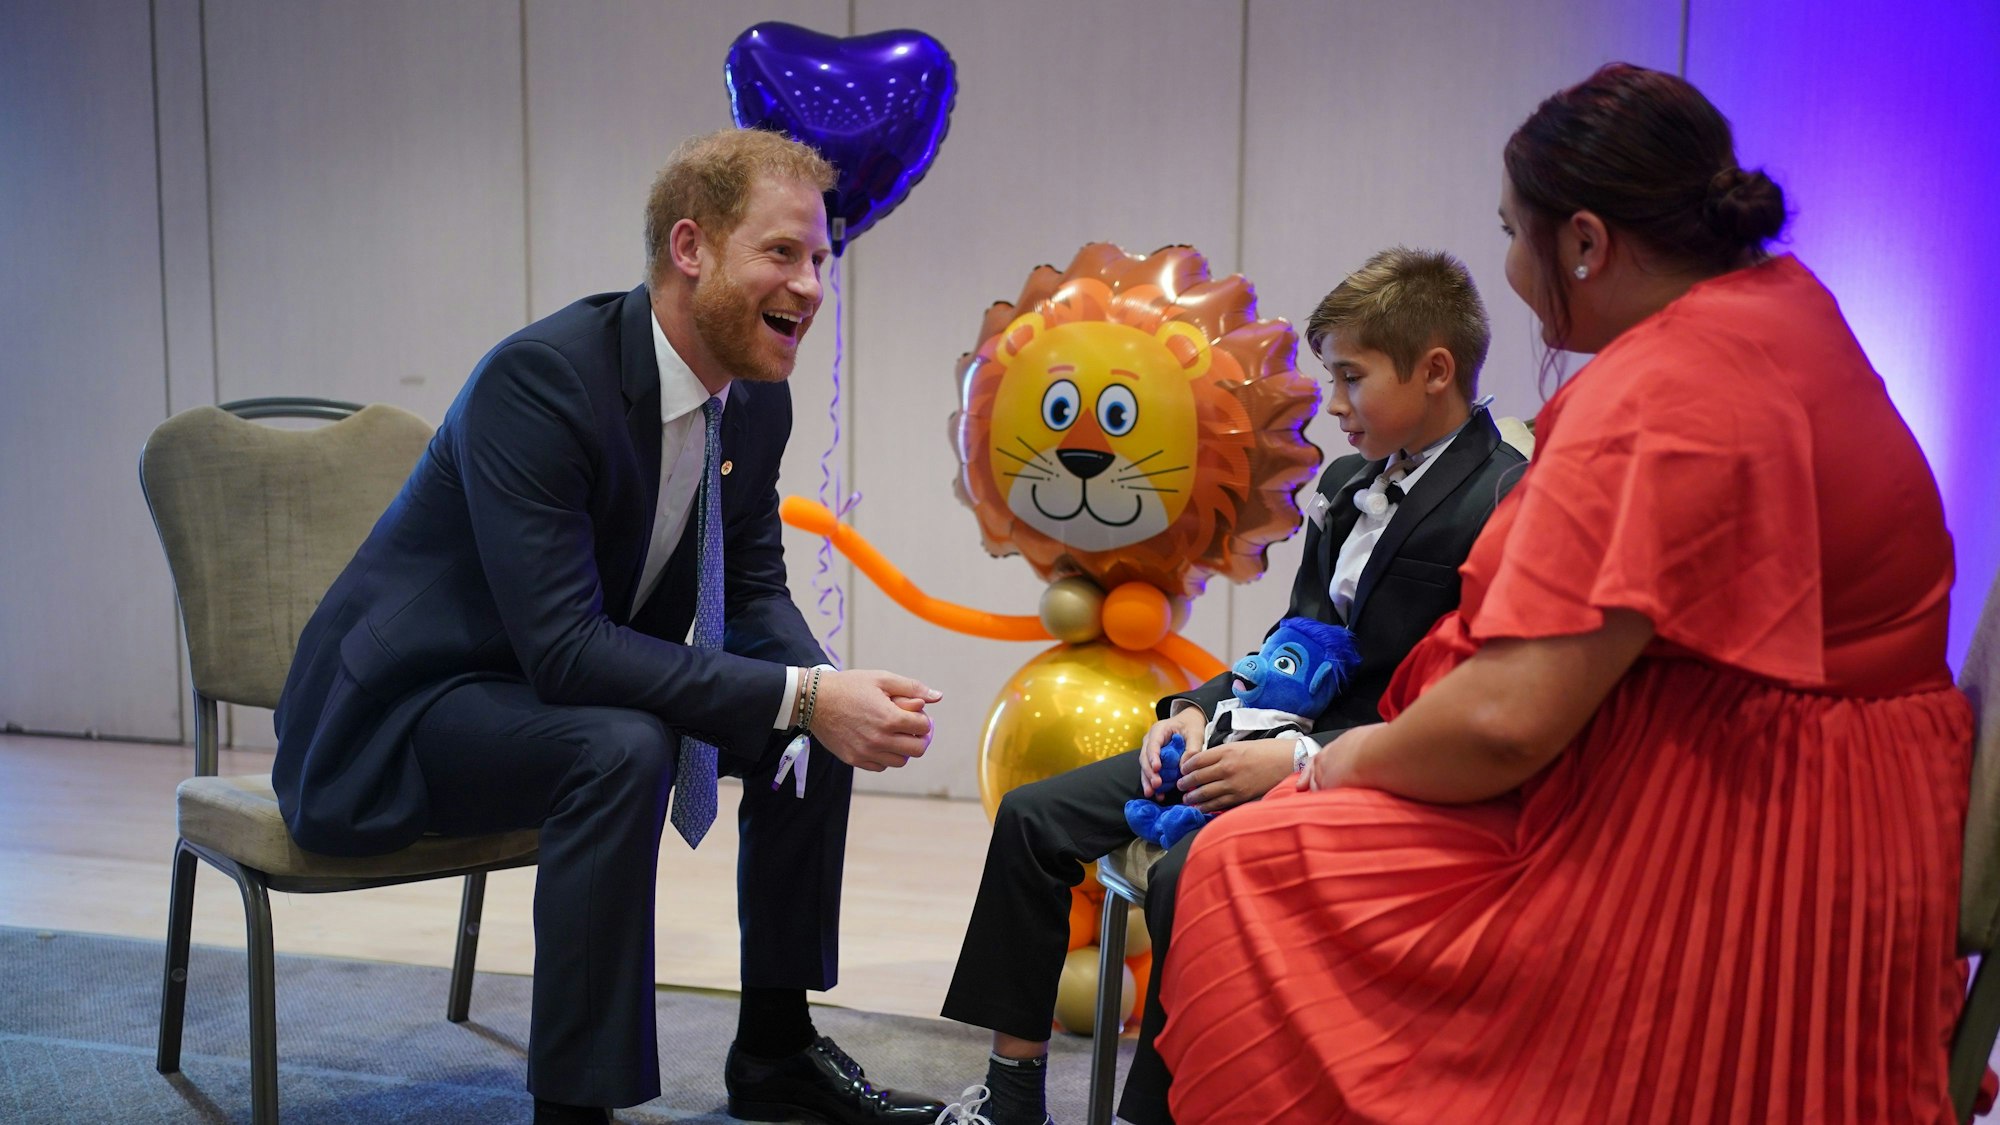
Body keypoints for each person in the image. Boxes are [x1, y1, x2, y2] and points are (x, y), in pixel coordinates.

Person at [1154, 63, 1974, 1124]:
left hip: (1752, 828)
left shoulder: (1662, 387)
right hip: (1812, 790)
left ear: (1583, 242)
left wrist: (1330, 764)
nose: (1507, 264)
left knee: (1248, 864)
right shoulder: (1778, 308)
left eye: (1512, 231)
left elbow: (1504, 723)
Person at [272, 129, 949, 1125]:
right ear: (691, 249)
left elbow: (753, 593)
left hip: (535, 696)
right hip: (399, 717)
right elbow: (566, 646)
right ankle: (574, 1108)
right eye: (780, 253)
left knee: (809, 722)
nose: (810, 284)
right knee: (622, 744)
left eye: (819, 259)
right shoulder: (541, 381)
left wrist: (818, 691)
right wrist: (801, 695)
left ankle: (773, 1050)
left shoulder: (756, 403)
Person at [936, 248, 1527, 1125]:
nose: (1332, 407)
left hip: (1372, 771)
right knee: (1032, 819)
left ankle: (1158, 1112)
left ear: (1435, 370)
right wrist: (1192, 712)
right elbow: (1294, 642)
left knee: (1186, 874)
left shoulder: (1504, 498)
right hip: (1264, 737)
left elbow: (1466, 701)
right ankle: (1012, 1097)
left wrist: (1295, 760)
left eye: (1352, 379)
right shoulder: (1345, 483)